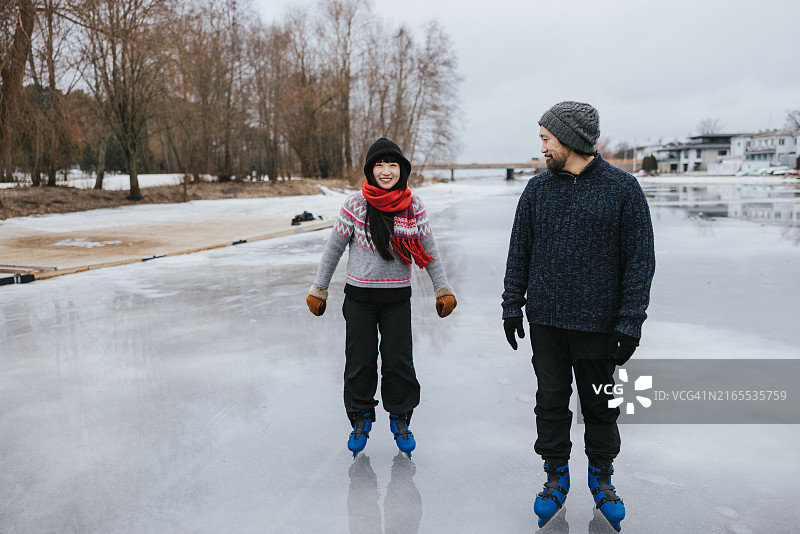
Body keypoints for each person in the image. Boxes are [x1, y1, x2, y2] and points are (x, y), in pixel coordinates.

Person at [501, 101, 655, 531]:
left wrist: (630, 322)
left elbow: (640, 262)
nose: (542, 148)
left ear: (569, 139)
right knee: (550, 403)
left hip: (599, 326)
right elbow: (519, 252)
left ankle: (602, 478)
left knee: (602, 405)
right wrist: (512, 305)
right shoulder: (536, 190)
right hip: (546, 322)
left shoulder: (623, 190)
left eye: (546, 140)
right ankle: (555, 475)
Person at [306, 137, 457, 458]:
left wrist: (442, 288)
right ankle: (360, 419)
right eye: (379, 164)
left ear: (402, 170)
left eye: (392, 165)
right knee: (360, 362)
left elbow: (429, 250)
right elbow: (333, 248)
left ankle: (401, 418)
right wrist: (319, 287)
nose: (386, 171)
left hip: (397, 299)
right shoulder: (355, 205)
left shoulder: (413, 206)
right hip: (359, 299)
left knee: (398, 362)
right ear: (370, 169)